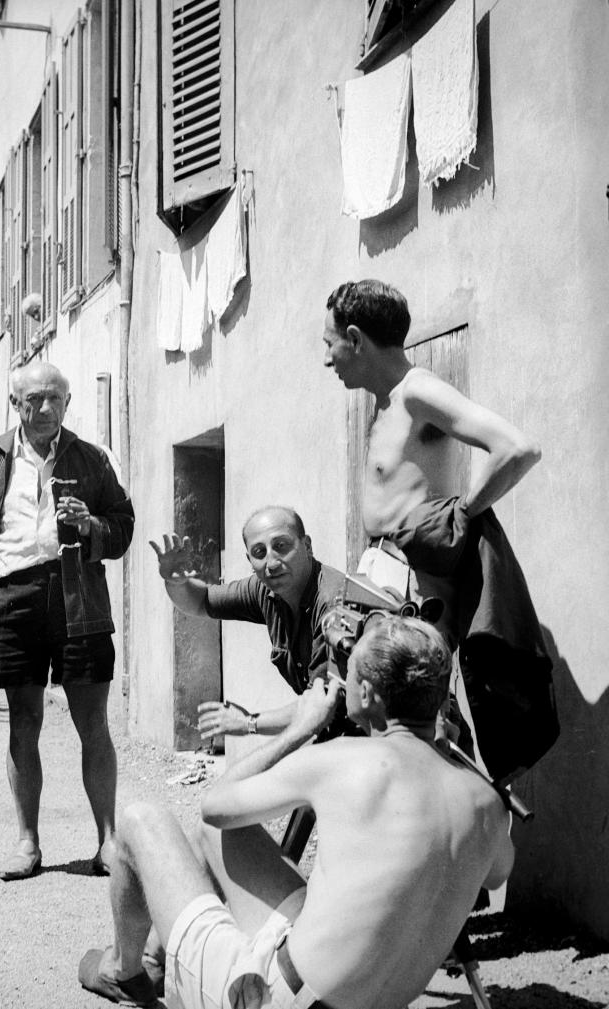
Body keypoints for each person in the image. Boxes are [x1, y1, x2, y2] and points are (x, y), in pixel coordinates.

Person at [79, 615, 514, 1009]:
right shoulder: (485, 802)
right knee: (225, 836)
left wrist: (301, 726)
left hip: (275, 999)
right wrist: (442, 750)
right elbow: (496, 873)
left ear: (365, 693)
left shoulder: (346, 760)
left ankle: (123, 969)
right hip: (344, 997)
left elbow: (214, 805)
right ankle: (166, 958)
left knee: (139, 821)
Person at [323, 280, 554, 781]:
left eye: (330, 343)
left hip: (414, 583)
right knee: (379, 719)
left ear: (356, 338)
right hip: (383, 577)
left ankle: (466, 829)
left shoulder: (417, 390)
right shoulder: (387, 401)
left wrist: (461, 516)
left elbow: (516, 448)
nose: (328, 358)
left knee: (420, 722)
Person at [0, 360, 134, 881]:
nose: (47, 408)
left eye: (56, 398)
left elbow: (122, 526)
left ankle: (108, 842)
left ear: (68, 402)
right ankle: (28, 843)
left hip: (79, 597)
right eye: (35, 399)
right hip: (11, 598)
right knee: (23, 722)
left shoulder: (92, 460)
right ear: (16, 404)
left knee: (91, 723)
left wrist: (91, 525)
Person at [150, 507, 345, 742]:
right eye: (259, 552)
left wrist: (247, 723)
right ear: (250, 560)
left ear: (307, 546)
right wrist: (176, 582)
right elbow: (201, 602)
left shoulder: (333, 604)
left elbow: (323, 704)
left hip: (370, 735)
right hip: (329, 731)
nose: (271, 563)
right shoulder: (264, 589)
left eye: (281, 546)